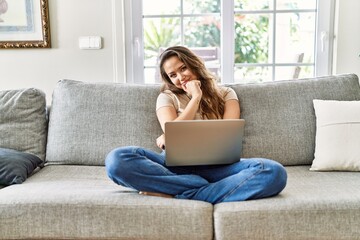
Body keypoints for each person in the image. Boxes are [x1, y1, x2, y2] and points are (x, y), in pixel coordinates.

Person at [105, 46, 287, 204]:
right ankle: (205, 189)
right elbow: (173, 133)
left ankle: (178, 193)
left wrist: (200, 94)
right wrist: (196, 98)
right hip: (172, 167)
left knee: (273, 171)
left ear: (194, 64)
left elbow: (229, 135)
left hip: (220, 168)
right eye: (173, 75)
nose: (180, 77)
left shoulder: (226, 94)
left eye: (183, 68)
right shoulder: (167, 97)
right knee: (116, 159)